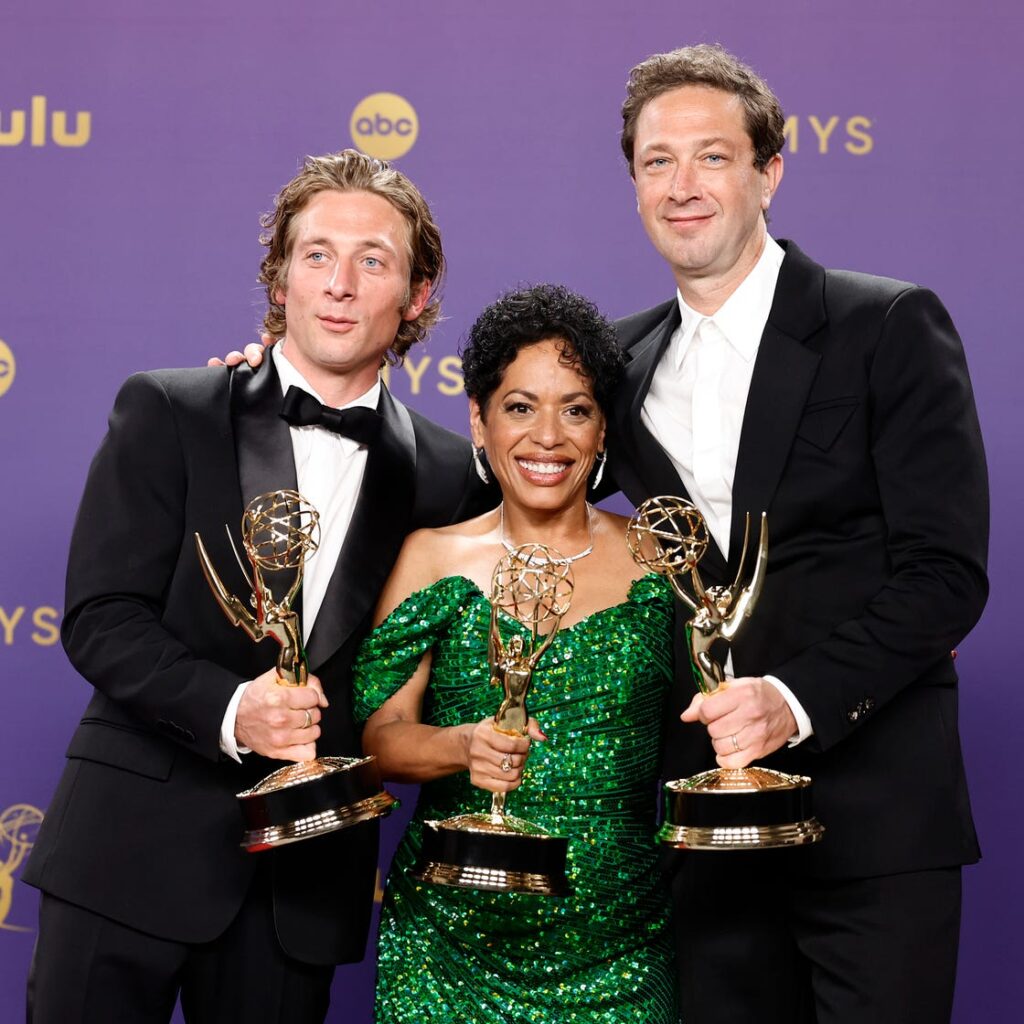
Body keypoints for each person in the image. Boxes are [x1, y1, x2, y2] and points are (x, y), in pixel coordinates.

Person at [23, 150, 491, 1023]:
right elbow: (100, 619)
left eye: (373, 260)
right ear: (280, 278)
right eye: (316, 255)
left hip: (298, 894)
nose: (340, 285)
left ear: (419, 295)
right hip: (126, 853)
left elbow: (569, 474)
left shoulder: (450, 475)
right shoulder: (172, 408)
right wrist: (235, 709)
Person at [608, 44, 989, 1024]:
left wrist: (790, 699)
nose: (682, 187)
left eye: (712, 157)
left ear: (769, 171)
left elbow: (945, 573)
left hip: (872, 827)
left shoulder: (884, 323)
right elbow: (492, 478)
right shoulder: (615, 362)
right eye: (657, 161)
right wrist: (281, 384)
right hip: (703, 833)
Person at [351, 284, 679, 1023]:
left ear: (603, 432)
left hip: (622, 946)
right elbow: (378, 739)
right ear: (479, 418)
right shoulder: (431, 558)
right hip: (447, 948)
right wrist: (459, 746)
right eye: (520, 407)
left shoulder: (660, 560)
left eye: (577, 409)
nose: (548, 437)